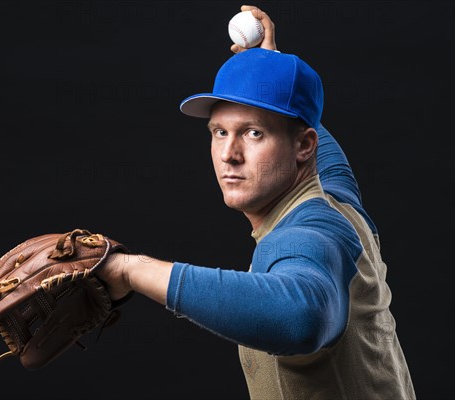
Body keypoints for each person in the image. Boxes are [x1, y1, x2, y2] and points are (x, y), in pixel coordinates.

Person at [96, 5, 416, 399]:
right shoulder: (338, 197)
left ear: (303, 147)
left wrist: (129, 270)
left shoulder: (310, 233)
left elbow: (301, 317)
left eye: (252, 134)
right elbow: (312, 132)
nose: (229, 154)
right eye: (219, 132)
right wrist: (269, 66)